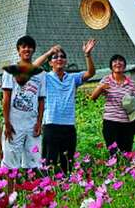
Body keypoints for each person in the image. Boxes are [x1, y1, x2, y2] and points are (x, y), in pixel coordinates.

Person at [33, 40, 96, 173]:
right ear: (50, 63)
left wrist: (88, 55)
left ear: (66, 61)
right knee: (49, 161)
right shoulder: (46, 77)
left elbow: (90, 73)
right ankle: (47, 189)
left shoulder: (72, 78)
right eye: (55, 57)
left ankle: (65, 190)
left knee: (67, 163)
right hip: (51, 124)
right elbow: (32, 68)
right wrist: (49, 52)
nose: (59, 58)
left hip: (68, 125)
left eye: (62, 56)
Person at [2, 35, 45, 169]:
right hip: (14, 123)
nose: (27, 49)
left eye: (30, 47)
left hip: (32, 123)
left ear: (33, 50)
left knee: (35, 160)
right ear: (18, 50)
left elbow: (41, 99)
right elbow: (6, 98)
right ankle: (9, 190)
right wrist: (7, 122)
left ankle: (33, 189)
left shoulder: (40, 73)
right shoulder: (11, 71)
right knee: (10, 161)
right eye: (23, 47)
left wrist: (39, 122)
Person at [91, 54, 135, 156]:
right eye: (115, 61)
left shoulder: (131, 83)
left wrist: (131, 103)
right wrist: (100, 88)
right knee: (114, 153)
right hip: (110, 122)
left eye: (120, 61)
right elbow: (93, 97)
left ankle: (126, 171)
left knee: (126, 153)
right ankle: (115, 171)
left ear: (124, 65)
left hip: (127, 123)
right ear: (111, 66)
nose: (118, 63)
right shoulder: (106, 80)